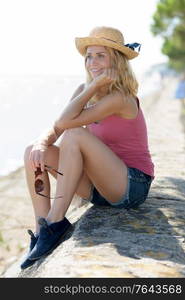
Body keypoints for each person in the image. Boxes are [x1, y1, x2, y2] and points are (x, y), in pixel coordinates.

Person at [21, 26, 154, 269]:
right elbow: (57, 126)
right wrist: (42, 143)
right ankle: (42, 229)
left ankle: (56, 222)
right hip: (99, 187)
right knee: (33, 150)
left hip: (132, 185)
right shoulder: (84, 91)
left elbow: (66, 124)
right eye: (89, 56)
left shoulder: (120, 98)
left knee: (74, 135)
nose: (92, 62)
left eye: (101, 55)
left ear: (117, 61)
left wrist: (92, 87)